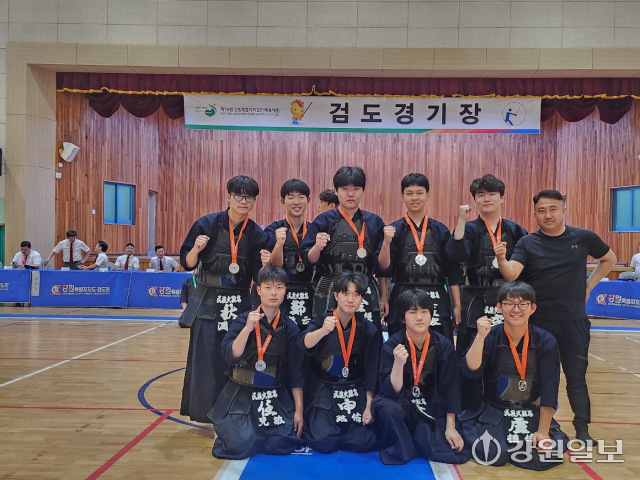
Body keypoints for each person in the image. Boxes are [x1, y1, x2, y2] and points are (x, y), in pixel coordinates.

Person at [495, 189, 616, 443]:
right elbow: (512, 273)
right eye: (541, 210)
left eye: (552, 209)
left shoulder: (583, 237)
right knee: (538, 377)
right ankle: (543, 425)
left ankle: (582, 430)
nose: (547, 215)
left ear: (563, 209)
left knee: (576, 377)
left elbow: (609, 259)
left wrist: (588, 285)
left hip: (574, 321)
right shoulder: (527, 242)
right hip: (539, 323)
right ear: (535, 214)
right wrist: (501, 259)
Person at [179, 175, 269, 425]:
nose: (243, 201)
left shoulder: (257, 233)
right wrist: (196, 249)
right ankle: (205, 414)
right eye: (238, 195)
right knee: (206, 358)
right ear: (228, 196)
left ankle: (234, 413)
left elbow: (258, 277)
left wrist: (265, 265)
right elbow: (187, 263)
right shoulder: (206, 224)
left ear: (254, 201)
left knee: (238, 357)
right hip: (207, 300)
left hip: (239, 300)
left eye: (249, 197)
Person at [461, 281, 569, 471]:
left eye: (522, 304)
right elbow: (471, 370)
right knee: (492, 453)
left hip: (531, 412)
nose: (516, 309)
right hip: (496, 410)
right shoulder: (490, 336)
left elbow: (550, 389)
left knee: (546, 454)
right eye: (509, 304)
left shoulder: (546, 341)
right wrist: (479, 337)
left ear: (532, 308)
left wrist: (543, 432)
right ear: (499, 307)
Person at [447, 174, 528, 410]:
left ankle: (502, 405)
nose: (486, 199)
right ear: (475, 200)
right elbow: (456, 257)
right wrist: (461, 221)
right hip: (474, 297)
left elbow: (526, 268)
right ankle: (468, 410)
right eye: (480, 195)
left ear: (502, 198)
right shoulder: (468, 229)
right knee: (469, 353)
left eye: (492, 194)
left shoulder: (516, 230)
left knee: (505, 352)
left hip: (508, 299)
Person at [209, 266, 304, 459]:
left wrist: (299, 411)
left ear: (285, 290)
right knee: (241, 444)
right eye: (268, 287)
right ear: (258, 290)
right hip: (243, 392)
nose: (274, 293)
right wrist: (247, 329)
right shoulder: (243, 320)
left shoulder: (290, 327)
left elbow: (297, 372)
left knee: (281, 444)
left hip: (274, 393)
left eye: (279, 287)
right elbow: (231, 355)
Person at [372, 289, 469, 465]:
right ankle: (402, 448)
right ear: (403, 318)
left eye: (424, 312)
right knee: (387, 407)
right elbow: (391, 391)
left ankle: (414, 438)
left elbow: (451, 388)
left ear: (431, 315)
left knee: (443, 448)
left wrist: (451, 427)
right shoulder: (392, 345)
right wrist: (398, 364)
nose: (419, 318)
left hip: (430, 404)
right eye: (412, 312)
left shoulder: (443, 345)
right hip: (402, 402)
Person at [297, 271, 380, 453]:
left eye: (356, 294)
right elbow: (303, 343)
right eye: (345, 293)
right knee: (323, 441)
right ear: (335, 295)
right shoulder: (322, 321)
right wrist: (322, 331)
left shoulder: (368, 329)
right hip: (326, 388)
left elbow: (372, 370)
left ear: (362, 298)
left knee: (363, 442)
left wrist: (369, 406)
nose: (350, 299)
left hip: (355, 388)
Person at [376, 173, 464, 342]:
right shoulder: (394, 230)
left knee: (439, 346)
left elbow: (452, 270)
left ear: (427, 195)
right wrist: (384, 296)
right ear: (402, 197)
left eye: (419, 193)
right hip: (403, 293)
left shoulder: (440, 230)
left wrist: (457, 305)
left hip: (437, 295)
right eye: (409, 193)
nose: (414, 197)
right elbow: (383, 268)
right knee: (401, 345)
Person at [300, 166, 387, 330]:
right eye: (345, 189)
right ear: (336, 191)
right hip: (330, 288)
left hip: (365, 288)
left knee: (368, 336)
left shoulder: (375, 222)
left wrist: (384, 296)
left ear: (363, 191)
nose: (350, 194)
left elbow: (382, 267)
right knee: (328, 336)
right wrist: (317, 248)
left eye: (356, 189)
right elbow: (308, 259)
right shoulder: (323, 221)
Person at [264, 179, 316, 330]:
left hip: (310, 291)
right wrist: (279, 244)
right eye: (291, 197)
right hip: (282, 291)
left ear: (308, 200)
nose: (296, 202)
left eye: (301, 197)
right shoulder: (273, 229)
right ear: (283, 201)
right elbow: (274, 266)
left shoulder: (315, 230)